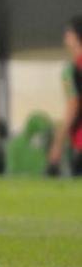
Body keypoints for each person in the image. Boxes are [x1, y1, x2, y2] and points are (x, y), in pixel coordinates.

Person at [48, 16, 82, 177]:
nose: (65, 36)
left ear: (77, 37)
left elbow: (73, 106)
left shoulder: (71, 70)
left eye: (68, 32)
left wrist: (58, 143)